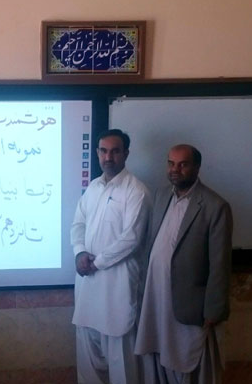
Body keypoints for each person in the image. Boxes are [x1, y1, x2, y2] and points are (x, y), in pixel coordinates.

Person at [135, 144, 233, 384]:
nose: (175, 170)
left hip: (189, 305)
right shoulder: (161, 196)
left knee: (189, 365)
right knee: (159, 359)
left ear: (197, 167)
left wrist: (214, 310)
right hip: (156, 298)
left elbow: (220, 264)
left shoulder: (215, 206)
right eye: (171, 163)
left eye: (183, 164)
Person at [71, 129, 151, 384]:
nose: (108, 157)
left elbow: (131, 238)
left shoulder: (136, 191)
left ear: (126, 154)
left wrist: (96, 262)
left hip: (117, 289)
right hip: (87, 288)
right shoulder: (93, 187)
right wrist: (79, 252)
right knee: (88, 367)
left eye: (115, 151)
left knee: (122, 367)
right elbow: (78, 224)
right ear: (97, 153)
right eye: (104, 151)